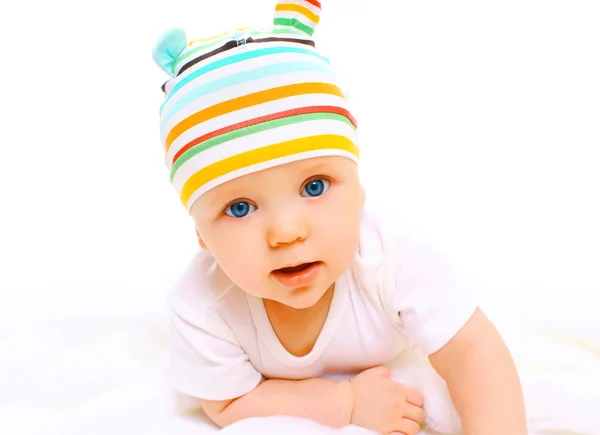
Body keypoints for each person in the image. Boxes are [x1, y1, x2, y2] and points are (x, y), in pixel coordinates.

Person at [152, 1, 527, 434]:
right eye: (240, 208)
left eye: (314, 187)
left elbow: (474, 351)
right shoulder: (202, 306)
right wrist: (342, 402)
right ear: (201, 235)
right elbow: (226, 403)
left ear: (359, 191)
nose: (287, 232)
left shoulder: (392, 257)